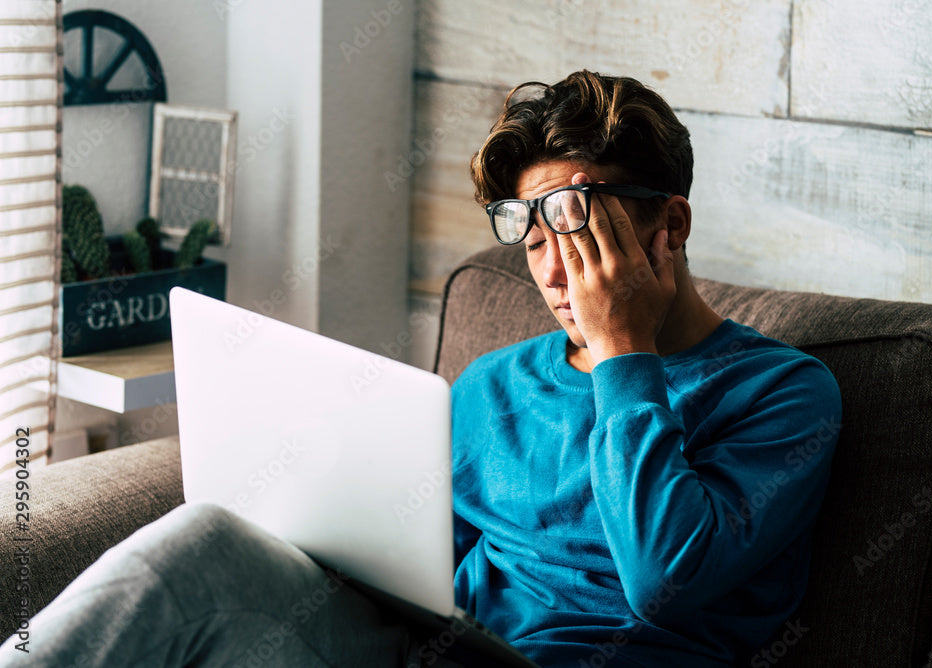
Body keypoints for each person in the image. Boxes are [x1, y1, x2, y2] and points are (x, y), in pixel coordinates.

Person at [0, 70, 840, 667]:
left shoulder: (785, 394)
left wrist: (624, 350)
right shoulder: (494, 386)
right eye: (534, 235)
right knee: (207, 545)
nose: (552, 271)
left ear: (671, 224)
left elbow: (666, 578)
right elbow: (409, 571)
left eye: (577, 225)